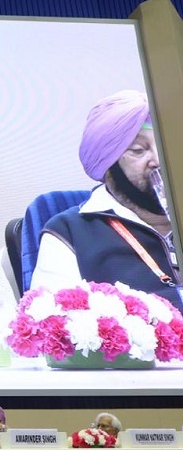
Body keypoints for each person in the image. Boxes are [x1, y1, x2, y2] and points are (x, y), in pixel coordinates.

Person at [31, 90, 181, 310]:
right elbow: (53, 331)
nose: (159, 161)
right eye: (138, 150)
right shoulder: (70, 233)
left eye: (165, 145)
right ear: (107, 169)